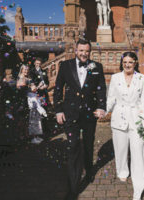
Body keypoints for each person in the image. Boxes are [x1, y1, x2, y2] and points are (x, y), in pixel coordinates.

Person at [53, 39, 106, 200]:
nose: (84, 54)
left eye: (87, 51)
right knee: (73, 147)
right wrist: (58, 110)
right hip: (71, 114)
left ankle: (89, 170)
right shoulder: (65, 65)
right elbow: (57, 89)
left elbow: (101, 89)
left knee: (89, 144)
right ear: (76, 50)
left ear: (90, 52)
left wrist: (101, 107)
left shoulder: (97, 67)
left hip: (90, 114)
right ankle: (73, 186)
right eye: (81, 50)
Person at [106, 52, 144, 200]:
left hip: (137, 119)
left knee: (138, 151)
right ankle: (123, 171)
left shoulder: (141, 78)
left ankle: (139, 186)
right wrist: (103, 110)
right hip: (119, 118)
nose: (127, 65)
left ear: (135, 62)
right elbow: (111, 98)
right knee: (120, 149)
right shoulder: (115, 78)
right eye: (125, 62)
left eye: (130, 62)